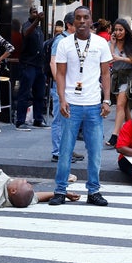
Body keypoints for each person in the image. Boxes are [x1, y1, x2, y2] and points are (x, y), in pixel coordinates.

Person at [49, 6, 112, 207]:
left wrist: (106, 100)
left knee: (95, 151)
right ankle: (60, 190)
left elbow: (106, 74)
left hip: (94, 103)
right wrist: (61, 98)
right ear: (73, 22)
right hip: (71, 104)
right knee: (65, 150)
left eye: (85, 17)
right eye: (78, 18)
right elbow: (60, 73)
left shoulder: (101, 43)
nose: (82, 21)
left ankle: (93, 191)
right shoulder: (64, 43)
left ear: (91, 20)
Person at [47, 12, 84, 164]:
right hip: (61, 86)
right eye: (77, 22)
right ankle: (58, 152)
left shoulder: (71, 40)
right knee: (59, 119)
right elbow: (53, 63)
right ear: (69, 25)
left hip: (69, 85)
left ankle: (65, 148)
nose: (81, 25)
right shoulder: (60, 41)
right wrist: (60, 85)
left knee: (68, 119)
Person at [105, 18, 132, 147]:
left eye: (121, 30)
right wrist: (113, 45)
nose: (118, 32)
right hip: (116, 76)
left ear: (126, 30)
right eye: (116, 30)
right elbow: (109, 59)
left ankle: (115, 135)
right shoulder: (110, 43)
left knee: (120, 105)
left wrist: (120, 58)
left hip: (128, 76)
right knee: (124, 108)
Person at [16, 6, 47, 129]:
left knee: (39, 94)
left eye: (37, 12)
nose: (36, 14)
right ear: (30, 14)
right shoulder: (27, 25)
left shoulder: (39, 28)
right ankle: (20, 121)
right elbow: (26, 33)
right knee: (24, 93)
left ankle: (38, 119)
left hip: (39, 65)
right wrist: (36, 20)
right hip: (28, 64)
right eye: (34, 12)